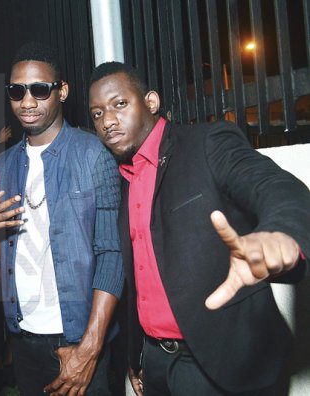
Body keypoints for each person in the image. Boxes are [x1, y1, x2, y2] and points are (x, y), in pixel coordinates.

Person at [88, 61, 310, 396]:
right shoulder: (122, 181)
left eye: (119, 104)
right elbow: (137, 279)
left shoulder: (206, 143)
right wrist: (138, 356)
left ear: (151, 102)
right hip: (157, 363)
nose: (108, 121)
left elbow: (277, 187)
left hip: (223, 362)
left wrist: (280, 233)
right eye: (97, 113)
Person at [0, 42, 124, 395]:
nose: (27, 102)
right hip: (24, 336)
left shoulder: (93, 154)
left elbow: (112, 256)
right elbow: (3, 254)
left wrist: (89, 347)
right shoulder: (6, 164)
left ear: (62, 91)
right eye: (16, 91)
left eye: (39, 90)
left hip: (80, 338)